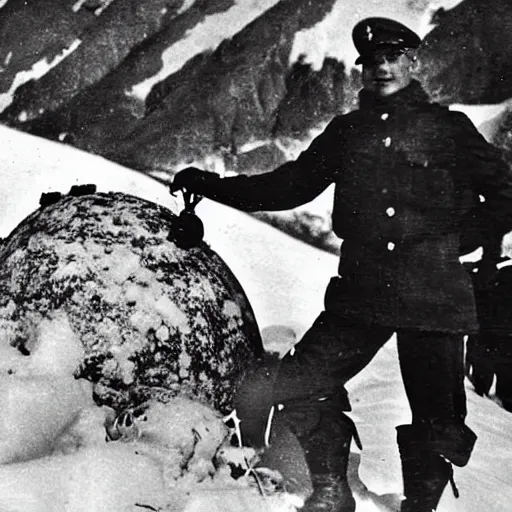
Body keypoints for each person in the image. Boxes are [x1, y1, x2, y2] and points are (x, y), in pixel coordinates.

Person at [170, 17, 512, 512]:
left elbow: (505, 196)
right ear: (362, 70)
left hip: (434, 296)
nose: (383, 68)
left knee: (438, 419)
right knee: (299, 383)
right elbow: (287, 186)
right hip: (362, 293)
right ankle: (331, 490)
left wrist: (454, 242)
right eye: (373, 61)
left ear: (412, 63)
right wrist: (212, 184)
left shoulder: (448, 130)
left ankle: (421, 507)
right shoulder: (346, 132)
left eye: (393, 58)